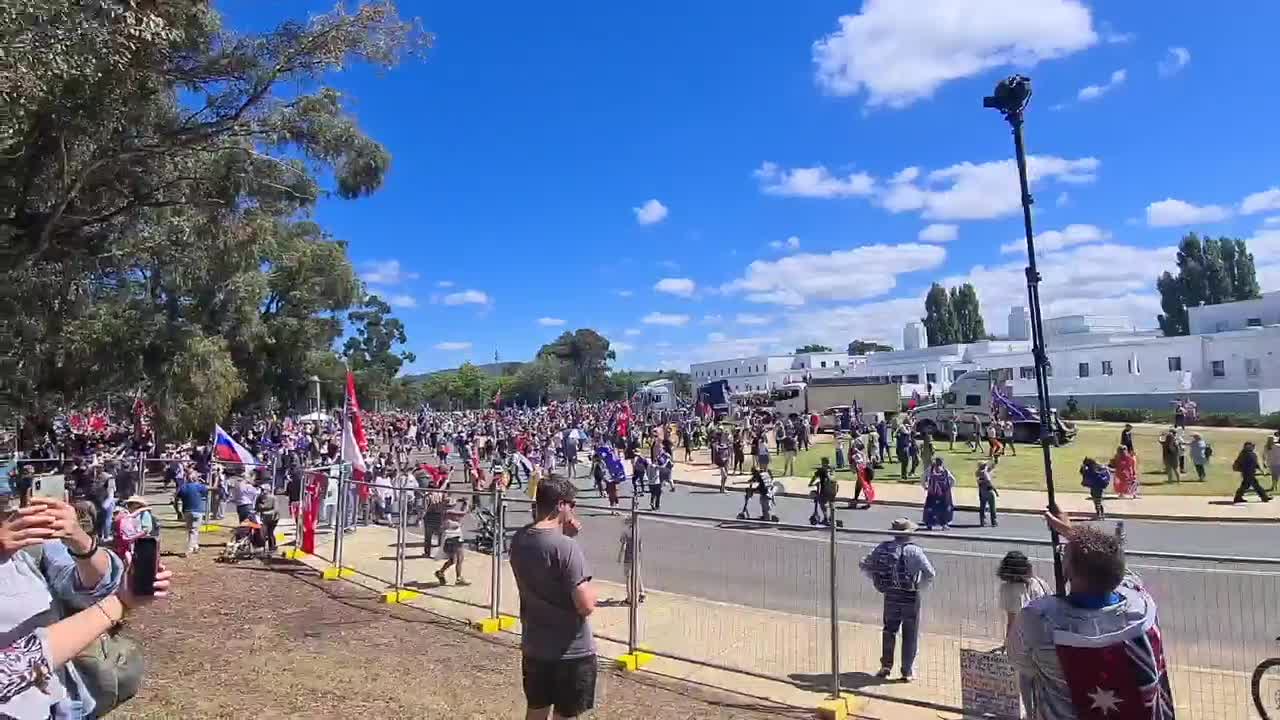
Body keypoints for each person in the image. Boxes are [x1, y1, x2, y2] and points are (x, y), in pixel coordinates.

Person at [0, 495, 174, 720]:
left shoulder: (25, 549)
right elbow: (9, 668)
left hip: (62, 704)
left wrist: (80, 542)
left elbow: (84, 586)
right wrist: (119, 603)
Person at [1009, 511, 1175, 720]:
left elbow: (1020, 661)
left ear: (1066, 572)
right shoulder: (1143, 606)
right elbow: (1113, 567)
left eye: (1064, 557)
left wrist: (1071, 537)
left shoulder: (1038, 620)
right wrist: (1071, 533)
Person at [509, 477, 597, 720]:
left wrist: (565, 536)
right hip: (570, 651)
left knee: (536, 712)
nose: (574, 509)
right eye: (572, 503)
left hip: (535, 646)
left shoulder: (519, 539)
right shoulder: (565, 547)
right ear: (560, 505)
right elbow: (585, 605)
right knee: (566, 714)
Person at [859, 518, 936, 682]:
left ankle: (886, 666)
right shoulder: (914, 551)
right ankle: (907, 671)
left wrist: (877, 581)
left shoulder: (883, 548)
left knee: (889, 631)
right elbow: (930, 573)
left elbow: (864, 564)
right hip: (909, 595)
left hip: (890, 595)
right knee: (910, 634)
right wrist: (918, 587)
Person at [997, 551, 1048, 647]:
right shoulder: (1039, 582)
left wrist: (1007, 643)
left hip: (1031, 639)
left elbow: (1012, 621)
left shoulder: (1010, 589)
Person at [435, 499, 469, 586]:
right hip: (453, 537)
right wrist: (467, 503)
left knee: (453, 560)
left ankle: (440, 572)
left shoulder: (449, 513)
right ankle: (459, 578)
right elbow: (463, 513)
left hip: (452, 537)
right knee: (460, 557)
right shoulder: (448, 512)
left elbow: (461, 515)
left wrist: (464, 504)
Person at [175, 471, 209, 556]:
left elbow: (176, 498)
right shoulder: (199, 486)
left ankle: (195, 546)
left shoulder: (183, 487)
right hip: (197, 511)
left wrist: (178, 511)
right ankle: (190, 548)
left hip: (186, 511)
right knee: (193, 530)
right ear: (195, 478)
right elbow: (209, 490)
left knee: (193, 530)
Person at [617, 514, 644, 605]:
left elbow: (623, 546)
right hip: (636, 557)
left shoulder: (625, 532)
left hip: (628, 558)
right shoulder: (638, 531)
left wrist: (619, 557)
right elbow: (640, 546)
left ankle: (629, 598)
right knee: (637, 575)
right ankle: (641, 592)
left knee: (628, 578)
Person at [921, 458, 954, 531]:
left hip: (932, 493)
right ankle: (944, 524)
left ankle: (929, 523)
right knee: (943, 508)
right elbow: (953, 480)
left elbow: (923, 477)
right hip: (943, 493)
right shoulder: (945, 471)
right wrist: (949, 488)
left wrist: (925, 486)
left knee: (930, 508)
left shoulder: (930, 470)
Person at [809, 458, 836, 525]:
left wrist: (810, 483)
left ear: (823, 462)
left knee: (822, 503)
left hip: (825, 489)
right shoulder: (832, 469)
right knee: (831, 503)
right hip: (833, 489)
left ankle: (826, 519)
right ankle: (831, 518)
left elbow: (814, 477)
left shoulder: (822, 470)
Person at [976, 461, 998, 527]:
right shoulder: (985, 474)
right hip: (989, 491)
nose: (986, 465)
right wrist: (995, 491)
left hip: (982, 492)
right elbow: (989, 483)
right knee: (992, 507)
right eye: (985, 465)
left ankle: (982, 521)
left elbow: (990, 468)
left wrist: (994, 462)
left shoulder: (978, 473)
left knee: (982, 507)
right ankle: (994, 522)